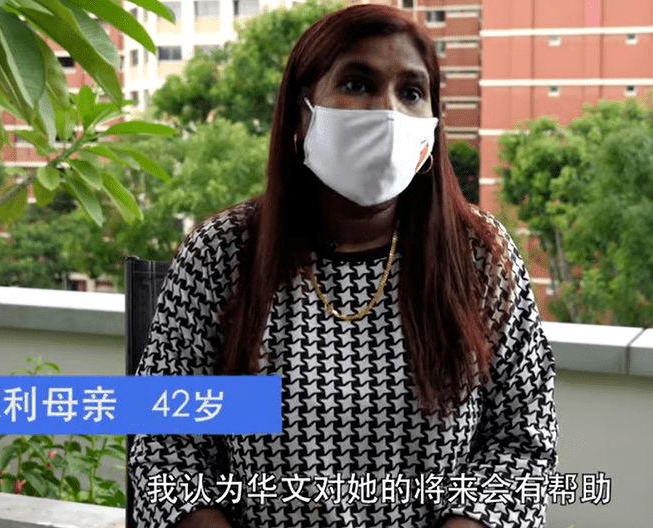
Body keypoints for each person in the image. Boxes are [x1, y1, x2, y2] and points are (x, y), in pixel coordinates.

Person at [129, 4, 557, 528]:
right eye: (357, 84)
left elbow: (521, 444)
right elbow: (167, 449)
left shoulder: (478, 257)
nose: (388, 113)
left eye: (411, 92)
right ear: (301, 114)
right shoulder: (223, 254)